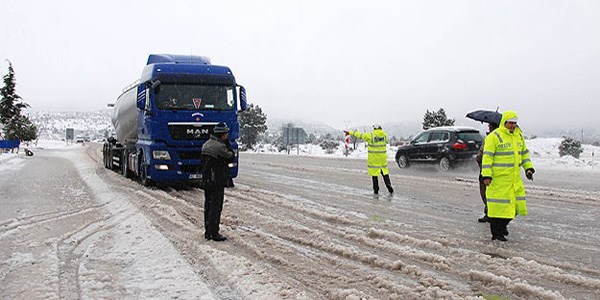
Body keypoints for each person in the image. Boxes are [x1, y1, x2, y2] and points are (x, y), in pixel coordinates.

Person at [481, 111, 535, 241]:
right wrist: (486, 176)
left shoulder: (518, 137)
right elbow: (487, 157)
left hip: (514, 180)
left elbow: (524, 155)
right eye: (510, 123)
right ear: (504, 122)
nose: (512, 126)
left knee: (516, 207)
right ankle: (497, 233)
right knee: (497, 209)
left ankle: (503, 227)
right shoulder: (494, 137)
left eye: (514, 123)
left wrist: (528, 168)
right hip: (498, 180)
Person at [201, 122, 234, 241]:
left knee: (208, 206)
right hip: (216, 181)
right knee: (216, 207)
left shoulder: (206, 144)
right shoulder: (220, 147)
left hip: (207, 180)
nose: (227, 136)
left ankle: (208, 231)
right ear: (222, 134)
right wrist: (228, 144)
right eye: (226, 134)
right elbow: (230, 156)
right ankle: (214, 233)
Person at [344, 125, 394, 195]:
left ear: (375, 128)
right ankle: (390, 188)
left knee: (374, 175)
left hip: (374, 159)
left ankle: (376, 190)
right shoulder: (384, 135)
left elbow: (360, 135)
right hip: (382, 159)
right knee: (385, 173)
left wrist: (351, 132)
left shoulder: (371, 136)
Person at [475, 121, 499, 223]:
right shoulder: (503, 138)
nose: (488, 127)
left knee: (485, 193)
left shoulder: (490, 139)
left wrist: (478, 159)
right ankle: (492, 213)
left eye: (489, 125)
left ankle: (490, 213)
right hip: (498, 171)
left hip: (486, 170)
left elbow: (482, 155)